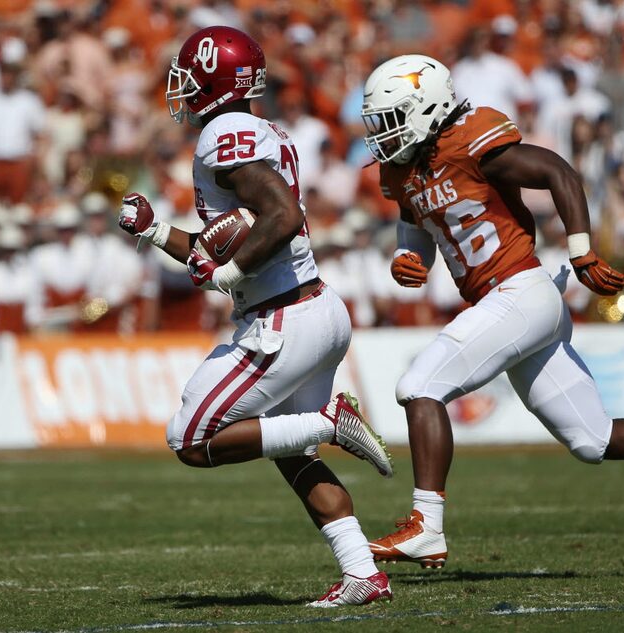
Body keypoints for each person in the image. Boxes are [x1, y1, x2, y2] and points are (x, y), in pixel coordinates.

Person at [359, 54, 624, 569]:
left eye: (391, 120)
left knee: (418, 386)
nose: (382, 136)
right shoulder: (403, 166)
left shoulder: (472, 142)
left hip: (520, 290)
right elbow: (416, 219)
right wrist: (408, 255)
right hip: (504, 303)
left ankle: (426, 525)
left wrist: (582, 250)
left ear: (427, 108)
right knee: (593, 439)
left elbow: (557, 171)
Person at [116, 26, 393, 607]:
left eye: (192, 78)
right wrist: (155, 231)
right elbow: (217, 245)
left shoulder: (225, 131)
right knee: (286, 450)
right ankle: (362, 572)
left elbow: (282, 216)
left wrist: (233, 273)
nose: (184, 91)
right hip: (312, 305)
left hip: (281, 319)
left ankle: (328, 420)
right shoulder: (255, 129)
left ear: (217, 80)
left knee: (189, 438)